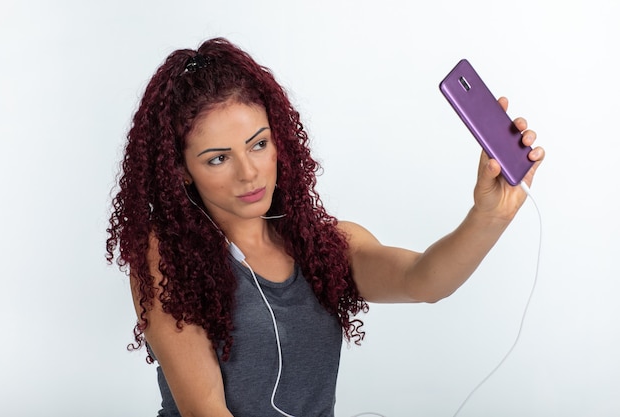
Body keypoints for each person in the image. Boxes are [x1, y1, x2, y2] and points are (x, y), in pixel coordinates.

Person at [106, 38, 544, 417]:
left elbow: (423, 280)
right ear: (180, 170)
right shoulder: (166, 257)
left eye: (259, 144)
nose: (249, 173)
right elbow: (206, 411)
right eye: (218, 158)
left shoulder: (322, 243)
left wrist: (490, 216)